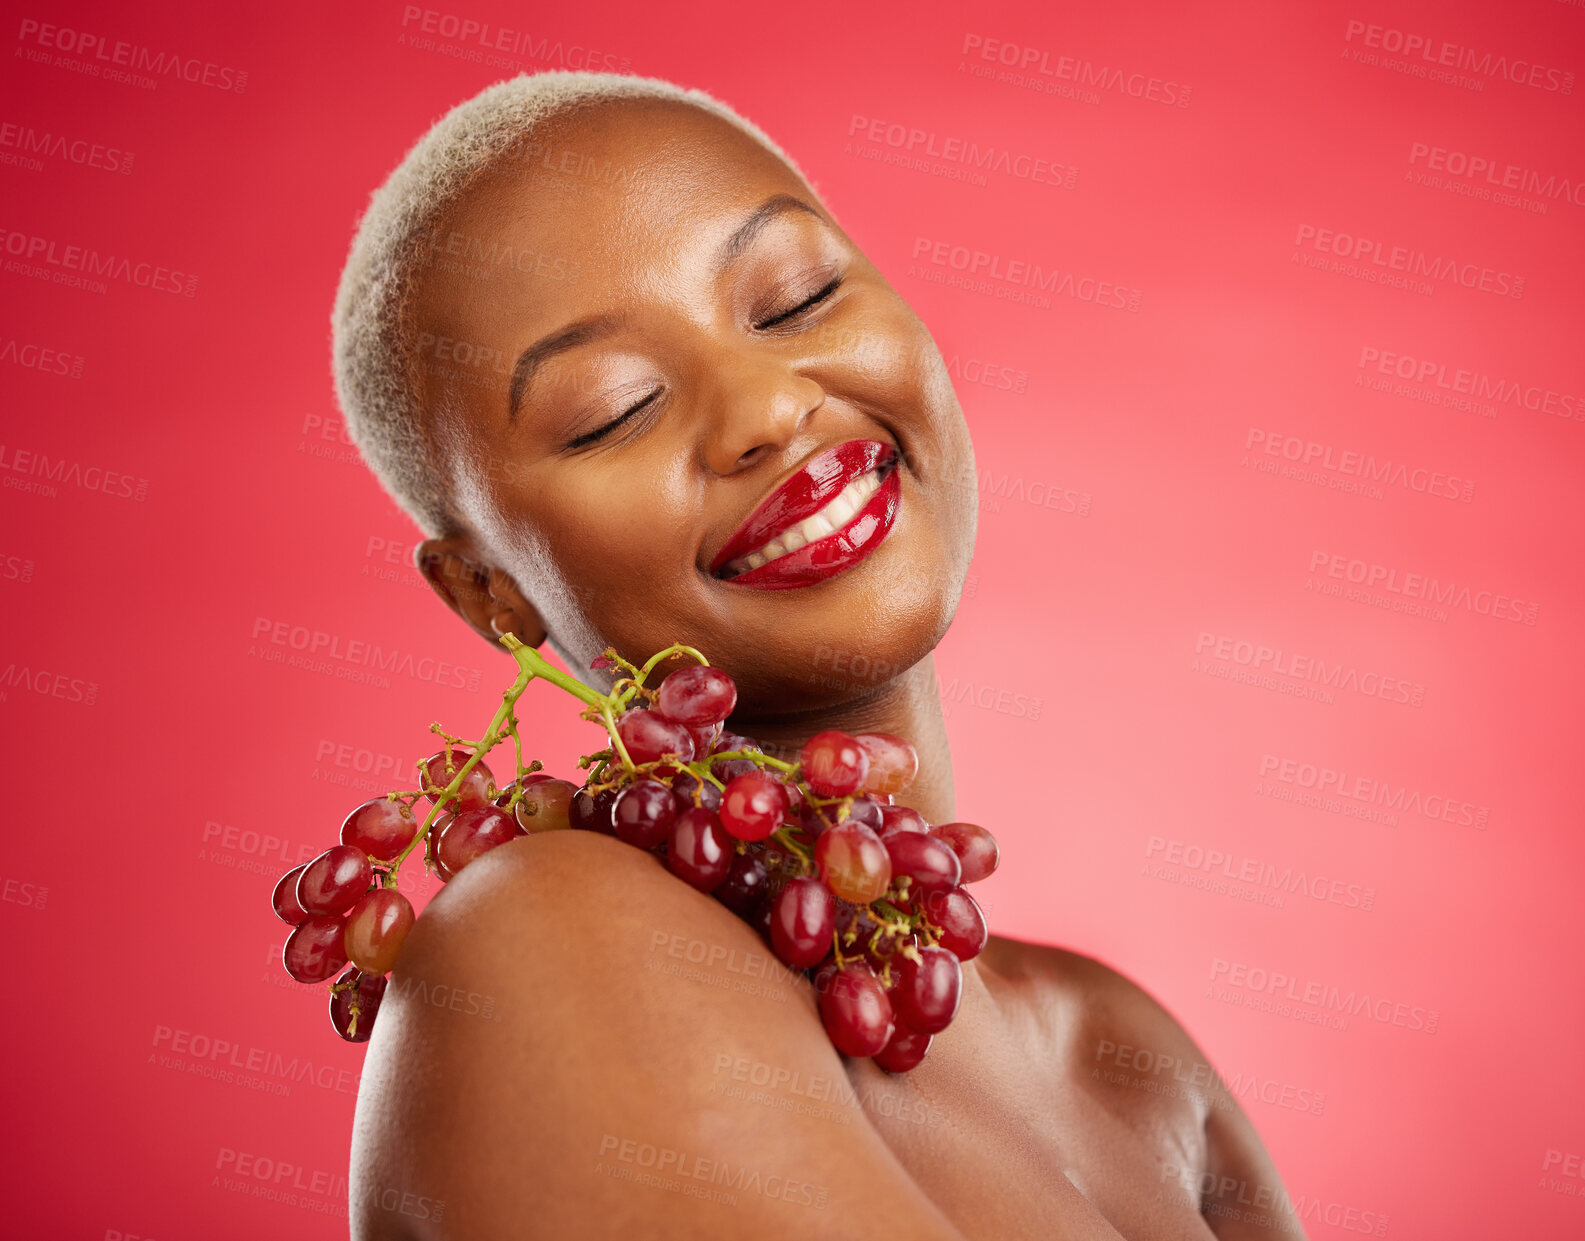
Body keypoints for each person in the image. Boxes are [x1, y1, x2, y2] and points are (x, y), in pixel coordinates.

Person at [333, 70, 1306, 1240]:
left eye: (797, 297)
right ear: (491, 594)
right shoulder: (544, 949)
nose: (765, 406)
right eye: (613, 408)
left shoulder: (1128, 1057)